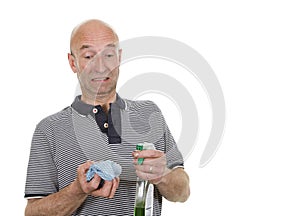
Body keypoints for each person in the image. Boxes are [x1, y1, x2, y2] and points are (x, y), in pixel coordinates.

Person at [24, 19, 190, 216]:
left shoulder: (149, 113)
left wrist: (163, 175)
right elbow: (33, 213)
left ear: (119, 57)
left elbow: (183, 192)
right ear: (73, 62)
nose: (101, 66)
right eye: (88, 56)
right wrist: (77, 190)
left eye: (109, 54)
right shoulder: (49, 129)